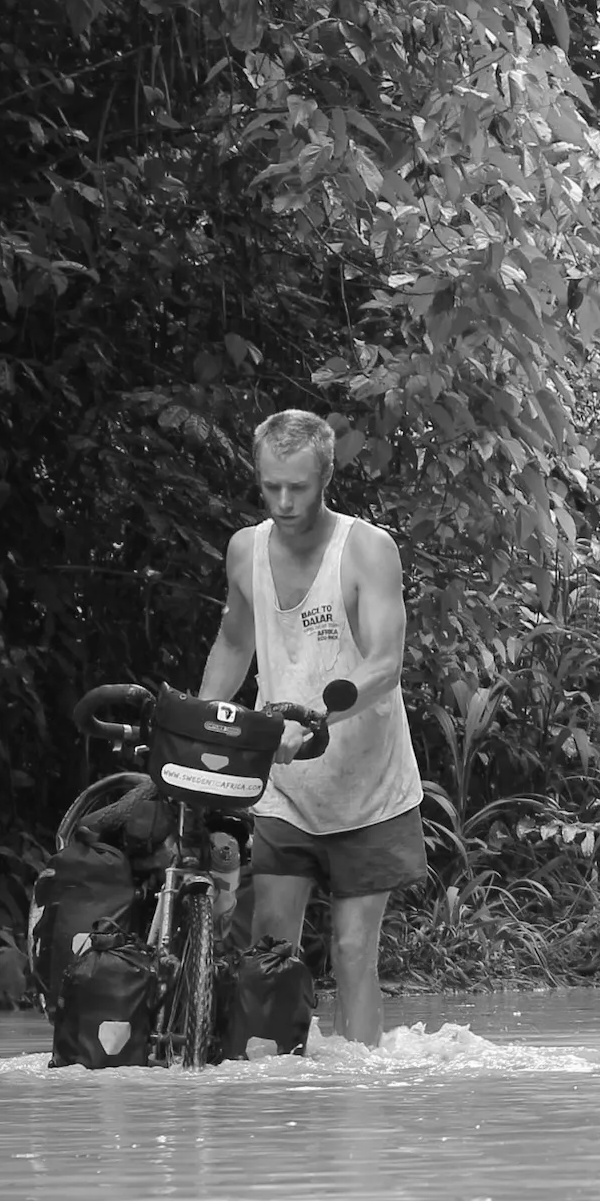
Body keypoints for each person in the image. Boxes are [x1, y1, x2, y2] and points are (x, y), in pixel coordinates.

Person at [197, 409, 426, 1047]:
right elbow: (234, 642)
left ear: (325, 475)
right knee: (271, 951)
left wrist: (319, 718)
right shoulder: (245, 549)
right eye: (271, 486)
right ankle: (277, 1107)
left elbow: (384, 664)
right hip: (285, 787)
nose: (284, 501)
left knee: (353, 951)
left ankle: (360, 1107)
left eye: (297, 486)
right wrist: (201, 725)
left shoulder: (367, 549)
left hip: (369, 787)